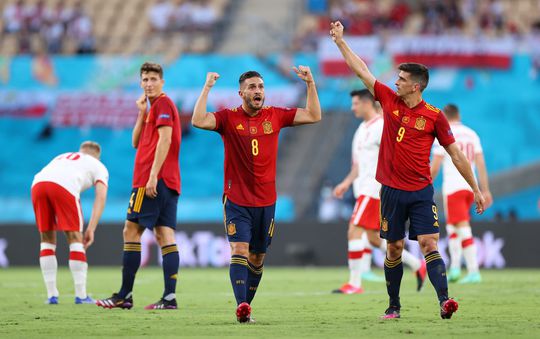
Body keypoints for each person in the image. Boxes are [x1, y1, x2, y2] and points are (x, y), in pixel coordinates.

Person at [330, 21, 486, 320]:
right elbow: (362, 70)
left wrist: (476, 188)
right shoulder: (389, 100)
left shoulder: (434, 116)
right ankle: (394, 305)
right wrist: (340, 43)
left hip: (421, 191)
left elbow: (455, 154)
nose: (396, 81)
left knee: (429, 243)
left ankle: (445, 300)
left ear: (416, 85)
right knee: (394, 249)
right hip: (390, 190)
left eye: (401, 79)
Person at [192, 68, 321, 322]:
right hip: (236, 199)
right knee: (239, 249)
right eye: (252, 87)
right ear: (241, 93)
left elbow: (315, 115)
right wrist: (207, 87)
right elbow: (198, 120)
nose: (258, 91)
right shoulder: (228, 118)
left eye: (260, 86)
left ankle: (245, 308)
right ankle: (241, 303)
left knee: (258, 256)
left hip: (266, 201)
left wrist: (310, 83)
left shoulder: (276, 115)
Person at [96, 62, 182, 310]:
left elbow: (165, 139)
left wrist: (153, 175)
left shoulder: (164, 104)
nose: (149, 83)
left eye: (153, 79)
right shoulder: (152, 109)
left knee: (130, 232)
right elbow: (136, 142)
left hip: (151, 180)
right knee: (165, 234)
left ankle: (124, 294)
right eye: (145, 79)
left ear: (162, 82)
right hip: (169, 181)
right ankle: (169, 298)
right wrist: (141, 113)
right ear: (140, 83)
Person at [332, 89, 426, 295]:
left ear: (367, 103)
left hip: (374, 189)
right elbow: (358, 164)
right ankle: (418, 265)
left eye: (355, 103)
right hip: (362, 188)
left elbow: (397, 155)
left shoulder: (383, 126)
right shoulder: (361, 129)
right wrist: (346, 182)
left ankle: (355, 283)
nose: (352, 107)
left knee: (354, 230)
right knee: (374, 239)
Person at [31, 141, 108, 304]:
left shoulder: (62, 156)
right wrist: (91, 228)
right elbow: (100, 197)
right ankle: (81, 296)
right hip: (64, 186)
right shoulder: (98, 165)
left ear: (80, 151)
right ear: (98, 157)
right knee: (75, 238)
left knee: (46, 239)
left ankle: (51, 295)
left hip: (38, 183)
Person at [431, 104, 493, 284]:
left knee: (462, 227)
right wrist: (484, 189)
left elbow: (435, 166)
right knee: (453, 228)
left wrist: (424, 183)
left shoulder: (444, 133)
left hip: (454, 186)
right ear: (458, 115)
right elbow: (480, 163)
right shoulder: (472, 134)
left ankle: (474, 271)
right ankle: (456, 268)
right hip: (470, 187)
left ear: (444, 116)